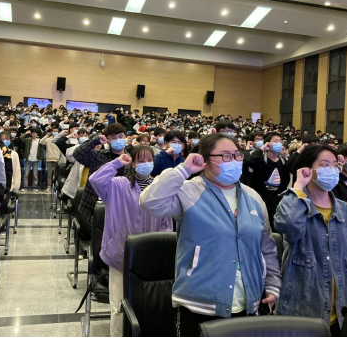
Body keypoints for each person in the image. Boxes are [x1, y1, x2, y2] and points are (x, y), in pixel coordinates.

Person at [140, 134, 282, 338]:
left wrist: (273, 285)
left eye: (236, 155)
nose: (233, 161)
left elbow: (266, 246)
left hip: (249, 301)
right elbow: (149, 202)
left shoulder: (253, 197)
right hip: (199, 303)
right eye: (225, 156)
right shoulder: (189, 190)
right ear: (205, 159)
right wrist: (184, 170)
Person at [274, 145, 347, 335]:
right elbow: (287, 224)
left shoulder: (346, 212)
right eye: (325, 164)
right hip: (303, 313)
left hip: (343, 314)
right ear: (307, 169)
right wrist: (298, 186)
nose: (332, 170)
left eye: (335, 165)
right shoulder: (297, 206)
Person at [89, 147, 173, 337]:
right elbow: (96, 180)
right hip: (120, 253)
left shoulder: (159, 187)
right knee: (119, 305)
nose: (146, 163)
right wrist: (117, 163)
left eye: (149, 159)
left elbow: (166, 224)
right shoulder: (119, 184)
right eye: (141, 160)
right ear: (133, 164)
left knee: (148, 305)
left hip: (149, 256)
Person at [72, 123, 128, 238]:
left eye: (121, 136)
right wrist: (95, 141)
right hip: (96, 202)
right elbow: (78, 154)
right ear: (108, 140)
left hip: (121, 205)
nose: (118, 140)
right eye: (113, 137)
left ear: (126, 138)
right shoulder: (97, 155)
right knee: (96, 237)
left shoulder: (131, 159)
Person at [246, 132, 291, 230]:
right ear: (268, 143)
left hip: (277, 203)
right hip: (262, 202)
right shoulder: (261, 160)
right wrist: (262, 149)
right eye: (275, 141)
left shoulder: (282, 161)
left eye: (280, 141)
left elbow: (286, 180)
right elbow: (249, 161)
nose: (279, 143)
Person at [40, 126, 62, 193]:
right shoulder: (48, 139)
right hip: (49, 158)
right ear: (52, 132)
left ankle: (55, 187)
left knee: (56, 174)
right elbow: (41, 142)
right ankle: (49, 187)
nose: (55, 132)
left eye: (56, 131)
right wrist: (47, 135)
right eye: (54, 131)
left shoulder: (60, 139)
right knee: (49, 174)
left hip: (57, 159)